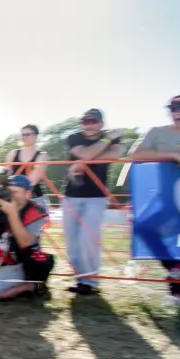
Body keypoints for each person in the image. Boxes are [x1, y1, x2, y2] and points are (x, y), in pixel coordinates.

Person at [131, 94, 180, 306]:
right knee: (143, 227)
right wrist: (173, 154)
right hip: (168, 199)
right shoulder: (157, 132)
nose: (178, 112)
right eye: (174, 108)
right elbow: (136, 155)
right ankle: (176, 273)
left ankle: (177, 291)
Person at [62, 108, 124, 295]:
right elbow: (85, 154)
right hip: (72, 196)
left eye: (93, 121)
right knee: (72, 242)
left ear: (101, 123)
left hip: (96, 196)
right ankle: (81, 279)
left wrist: (89, 154)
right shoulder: (74, 137)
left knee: (88, 239)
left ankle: (91, 282)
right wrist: (105, 142)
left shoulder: (115, 140)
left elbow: (116, 154)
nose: (89, 125)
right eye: (85, 122)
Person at [5, 124, 49, 207]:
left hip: (35, 198)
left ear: (36, 136)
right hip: (14, 198)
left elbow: (32, 181)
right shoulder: (12, 154)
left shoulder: (42, 155)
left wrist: (12, 182)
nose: (24, 137)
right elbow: (6, 176)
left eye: (28, 134)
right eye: (22, 135)